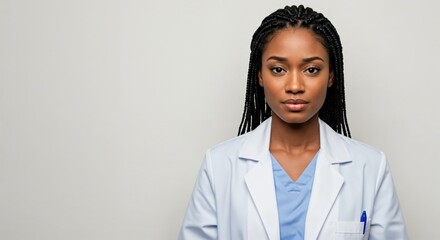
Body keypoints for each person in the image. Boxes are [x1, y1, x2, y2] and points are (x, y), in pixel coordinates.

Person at [178, 5, 408, 240]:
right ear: (259, 75)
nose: (295, 85)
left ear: (331, 76)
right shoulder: (219, 165)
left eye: (311, 69)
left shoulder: (370, 167)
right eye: (278, 69)